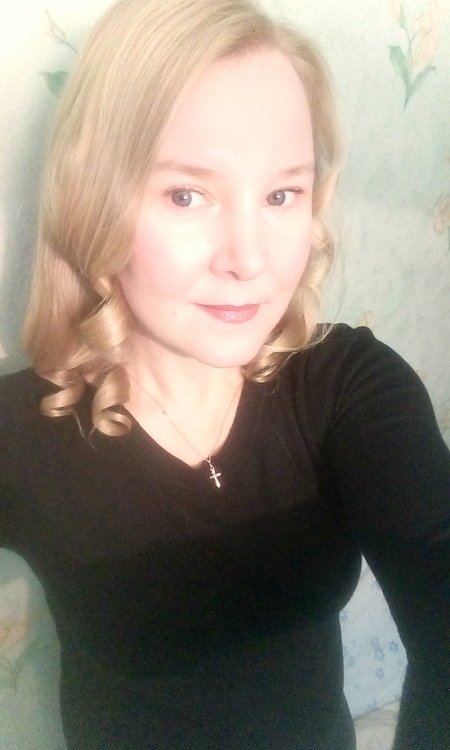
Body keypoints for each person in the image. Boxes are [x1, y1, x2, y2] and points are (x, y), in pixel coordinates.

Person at [1, 0, 449, 747]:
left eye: (281, 194)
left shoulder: (345, 387)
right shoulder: (20, 434)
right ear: (93, 201)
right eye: (187, 195)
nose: (249, 259)